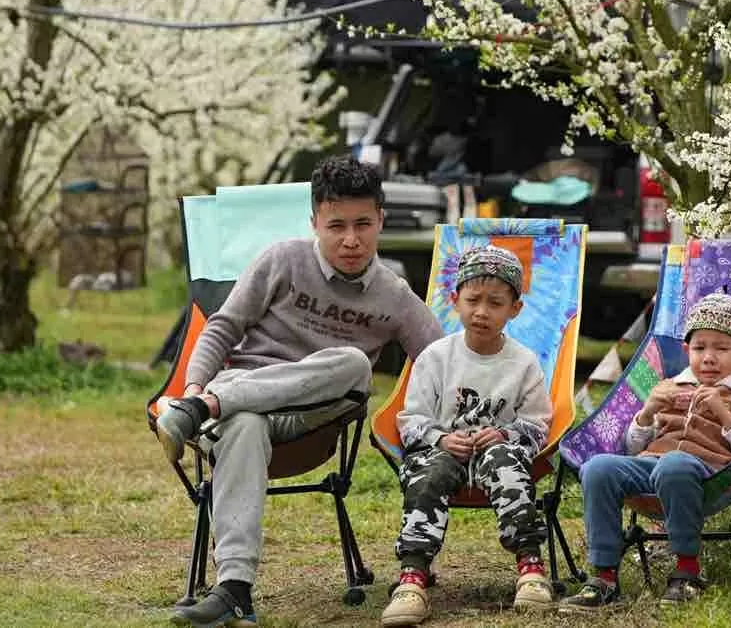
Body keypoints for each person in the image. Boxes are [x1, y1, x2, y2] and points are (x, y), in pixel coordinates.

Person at [153, 156, 443, 628]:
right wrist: (193, 384)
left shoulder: (395, 296)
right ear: (314, 223)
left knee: (352, 363)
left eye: (363, 224)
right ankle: (235, 591)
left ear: (381, 221)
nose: (351, 240)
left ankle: (202, 408)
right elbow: (223, 327)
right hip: (241, 404)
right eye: (336, 226)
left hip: (312, 419)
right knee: (244, 422)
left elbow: (440, 362)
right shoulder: (282, 259)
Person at [559, 294, 731, 612]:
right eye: (700, 348)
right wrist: (647, 412)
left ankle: (688, 572)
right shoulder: (671, 385)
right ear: (687, 351)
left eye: (722, 348)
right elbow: (632, 447)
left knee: (673, 466)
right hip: (650, 464)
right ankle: (604, 578)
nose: (709, 358)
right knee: (598, 468)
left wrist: (725, 415)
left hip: (712, 472)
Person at [383, 244, 554, 624]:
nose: (481, 312)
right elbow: (410, 419)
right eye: (473, 300)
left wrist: (506, 435)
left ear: (515, 309)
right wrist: (441, 439)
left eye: (495, 303)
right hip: (442, 452)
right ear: (454, 300)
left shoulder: (524, 364)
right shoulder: (435, 358)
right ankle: (412, 576)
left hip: (497, 455)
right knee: (431, 471)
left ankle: (530, 569)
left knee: (506, 463)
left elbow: (538, 424)